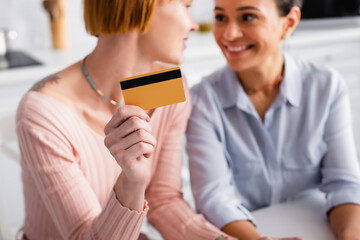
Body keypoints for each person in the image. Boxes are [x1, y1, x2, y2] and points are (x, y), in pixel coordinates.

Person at [16, 0, 234, 239]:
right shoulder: (43, 112)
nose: (193, 25)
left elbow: (163, 201)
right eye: (186, 6)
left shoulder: (170, 87)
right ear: (140, 7)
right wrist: (132, 182)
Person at [186, 0, 360, 240]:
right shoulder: (202, 99)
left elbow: (344, 184)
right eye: (220, 17)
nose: (229, 34)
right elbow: (214, 198)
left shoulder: (326, 87)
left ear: (289, 22)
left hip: (317, 225)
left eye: (247, 17)